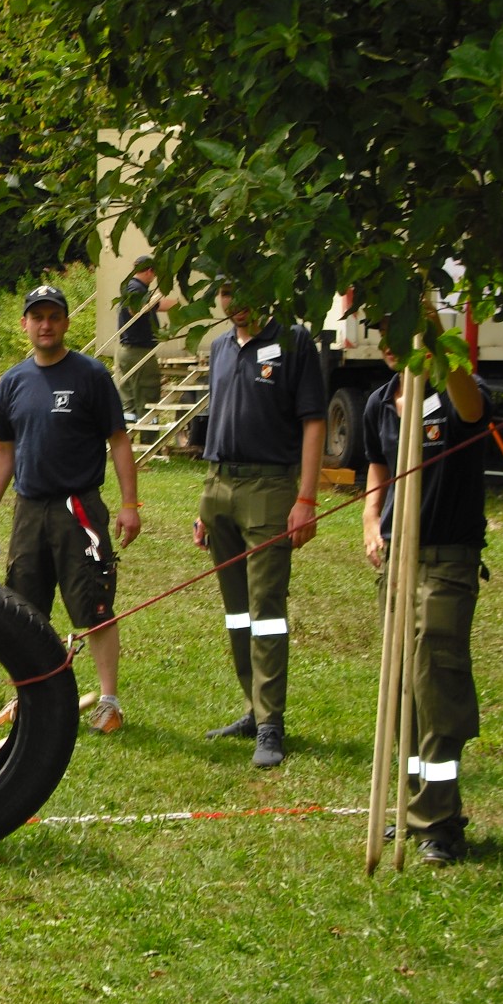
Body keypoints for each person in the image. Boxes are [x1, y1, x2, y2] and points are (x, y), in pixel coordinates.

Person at [0, 284, 141, 735]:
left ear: (66, 323)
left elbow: (119, 442)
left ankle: (108, 702)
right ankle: (27, 696)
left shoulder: (91, 375)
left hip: (78, 509)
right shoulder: (13, 381)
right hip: (29, 509)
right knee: (23, 609)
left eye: (53, 316)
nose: (45, 324)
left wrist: (129, 504)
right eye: (37, 317)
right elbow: (3, 451)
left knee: (95, 605)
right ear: (26, 324)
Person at [362, 318, 489, 865]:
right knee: (400, 691)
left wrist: (438, 340)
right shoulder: (379, 400)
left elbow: (473, 411)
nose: (389, 344)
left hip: (445, 562)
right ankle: (412, 805)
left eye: (400, 331)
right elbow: (377, 465)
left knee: (436, 688)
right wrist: (371, 517)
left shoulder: (452, 385)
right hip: (398, 562)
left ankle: (439, 821)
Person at [193, 280, 326, 768]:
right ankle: (252, 707)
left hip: (270, 490)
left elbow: (314, 421)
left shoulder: (293, 339)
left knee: (266, 606)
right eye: (226, 290)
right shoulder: (220, 346)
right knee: (236, 611)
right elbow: (220, 421)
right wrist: (205, 503)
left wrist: (306, 499)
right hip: (219, 485)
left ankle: (271, 723)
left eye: (243, 287)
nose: (234, 300)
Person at [114, 255, 175, 423]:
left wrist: (174, 304)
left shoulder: (132, 287)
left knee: (129, 403)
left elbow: (156, 306)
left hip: (128, 351)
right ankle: (149, 444)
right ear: (149, 271)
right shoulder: (135, 289)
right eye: (154, 274)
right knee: (148, 398)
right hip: (140, 352)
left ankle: (130, 443)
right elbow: (137, 308)